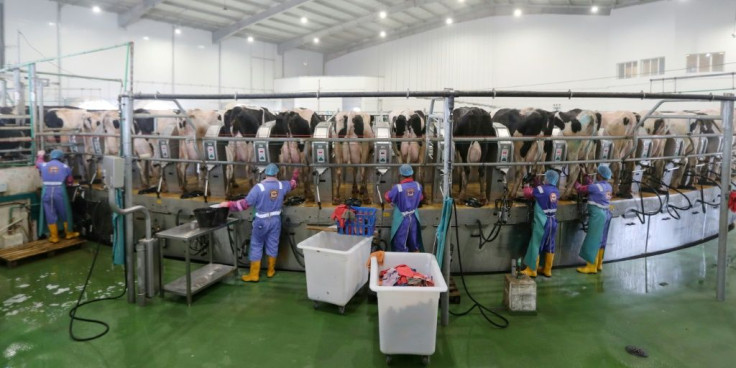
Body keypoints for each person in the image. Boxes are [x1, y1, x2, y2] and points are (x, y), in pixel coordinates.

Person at [220, 163, 299, 283]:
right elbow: (293, 185)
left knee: (256, 245)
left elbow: (244, 204)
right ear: (277, 173)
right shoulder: (282, 185)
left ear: (265, 173)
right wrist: (295, 175)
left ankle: (254, 274)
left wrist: (228, 204)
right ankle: (270, 271)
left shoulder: (259, 188)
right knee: (273, 243)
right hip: (276, 220)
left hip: (261, 221)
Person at [519, 170, 560, 278]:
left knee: (535, 244)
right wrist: (535, 181)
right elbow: (542, 190)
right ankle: (547, 270)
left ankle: (532, 270)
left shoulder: (540, 190)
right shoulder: (556, 190)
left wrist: (527, 184)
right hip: (553, 222)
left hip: (543, 222)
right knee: (550, 245)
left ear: (547, 178)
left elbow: (528, 193)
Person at [574, 164, 613, 274]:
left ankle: (591, 266)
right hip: (607, 213)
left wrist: (575, 182)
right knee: (602, 239)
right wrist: (586, 176)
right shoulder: (608, 187)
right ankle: (599, 264)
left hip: (598, 216)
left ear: (599, 175)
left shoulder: (595, 187)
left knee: (593, 239)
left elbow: (580, 189)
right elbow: (593, 186)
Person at [36, 149, 79, 243]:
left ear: (51, 156)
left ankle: (54, 237)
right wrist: (68, 183)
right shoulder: (65, 167)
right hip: (59, 191)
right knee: (65, 212)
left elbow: (37, 164)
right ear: (62, 157)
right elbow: (70, 182)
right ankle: (69, 233)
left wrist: (40, 155)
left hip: (46, 191)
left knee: (49, 213)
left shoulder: (44, 165)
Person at [385, 164, 423, 252]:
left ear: (401, 175)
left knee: (400, 244)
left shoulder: (398, 188)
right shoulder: (418, 186)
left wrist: (387, 193)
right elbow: (421, 198)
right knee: (414, 243)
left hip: (402, 220)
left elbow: (388, 198)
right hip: (413, 218)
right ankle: (415, 263)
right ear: (412, 173)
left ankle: (403, 264)